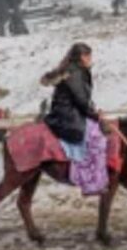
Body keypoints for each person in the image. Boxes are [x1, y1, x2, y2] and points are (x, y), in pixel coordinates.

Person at [41, 43, 108, 195]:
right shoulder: (76, 72)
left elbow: (83, 99)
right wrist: (95, 115)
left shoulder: (72, 70)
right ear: (81, 57)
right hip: (68, 115)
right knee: (97, 138)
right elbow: (81, 99)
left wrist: (92, 110)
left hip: (68, 111)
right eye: (88, 56)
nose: (90, 59)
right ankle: (90, 183)